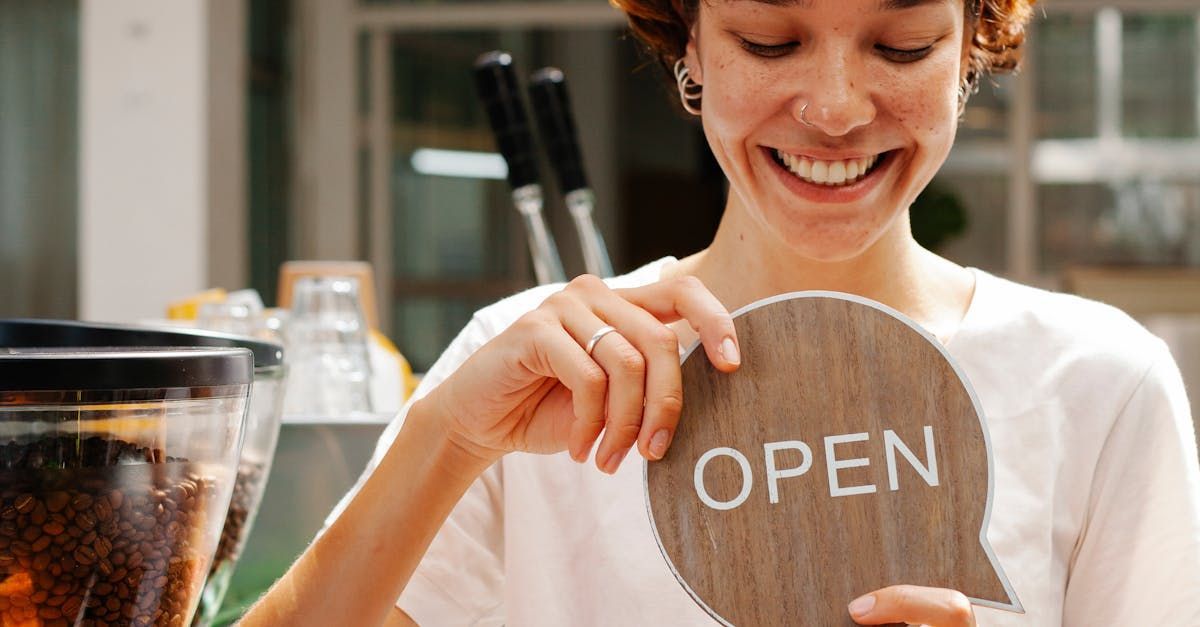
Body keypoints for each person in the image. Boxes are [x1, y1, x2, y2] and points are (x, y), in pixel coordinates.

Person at [242, 0, 1200, 625]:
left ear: (970, 51)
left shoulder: (1098, 384)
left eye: (902, 46)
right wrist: (448, 435)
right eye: (768, 41)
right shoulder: (535, 370)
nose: (832, 107)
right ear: (690, 42)